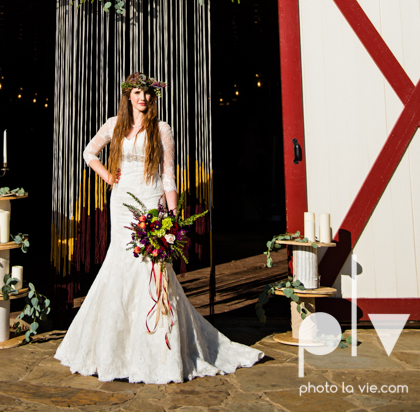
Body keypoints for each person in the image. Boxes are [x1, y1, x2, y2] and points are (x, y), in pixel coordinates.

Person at [54, 72, 264, 383]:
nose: (142, 98)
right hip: (122, 203)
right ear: (128, 96)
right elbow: (88, 153)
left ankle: (156, 348)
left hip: (151, 200)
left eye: (148, 93)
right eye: (137, 92)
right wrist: (108, 176)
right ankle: (115, 349)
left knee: (153, 270)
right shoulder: (114, 125)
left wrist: (174, 212)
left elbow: (168, 175)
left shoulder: (162, 129)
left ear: (153, 98)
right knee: (121, 265)